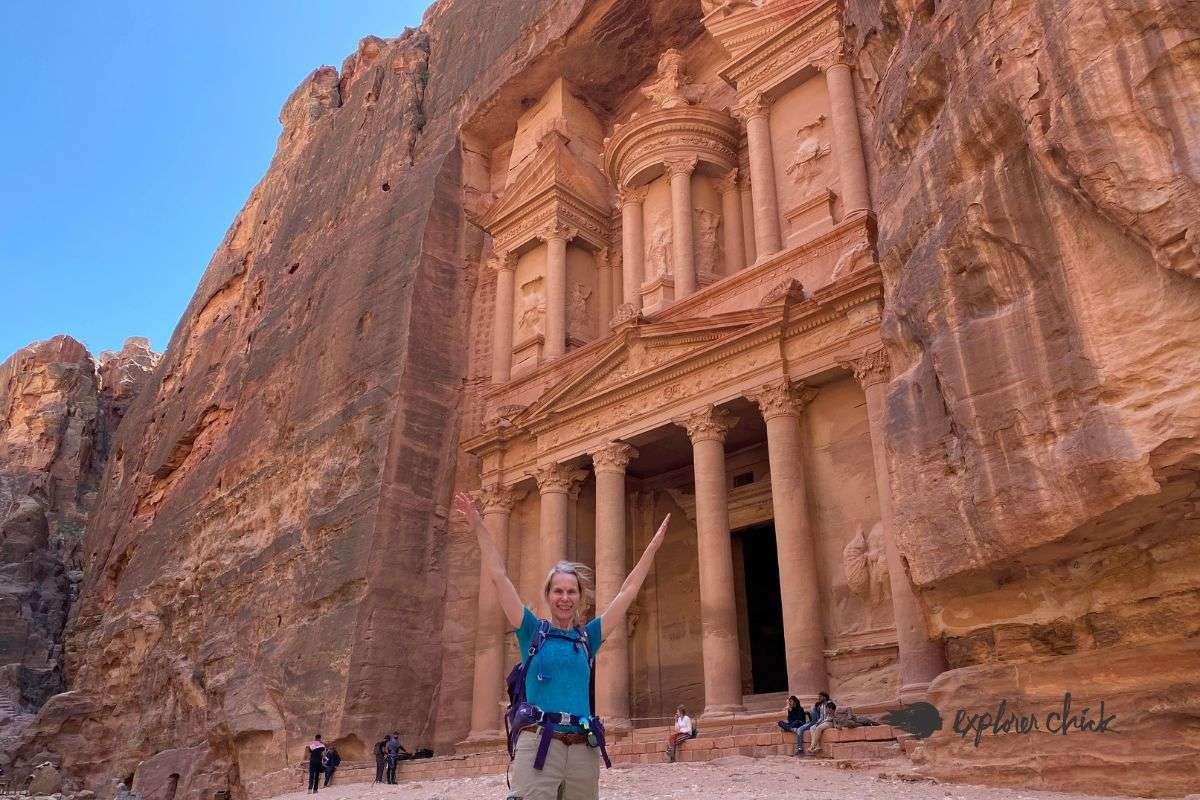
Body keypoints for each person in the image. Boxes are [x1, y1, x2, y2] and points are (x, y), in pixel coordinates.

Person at [454, 491, 670, 800]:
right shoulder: (531, 630)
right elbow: (499, 577)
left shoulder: (587, 638)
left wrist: (652, 547)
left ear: (580, 597)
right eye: (558, 591)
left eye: (571, 592)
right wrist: (478, 524)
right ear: (548, 594)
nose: (565, 598)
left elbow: (627, 592)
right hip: (539, 744)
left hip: (583, 748)